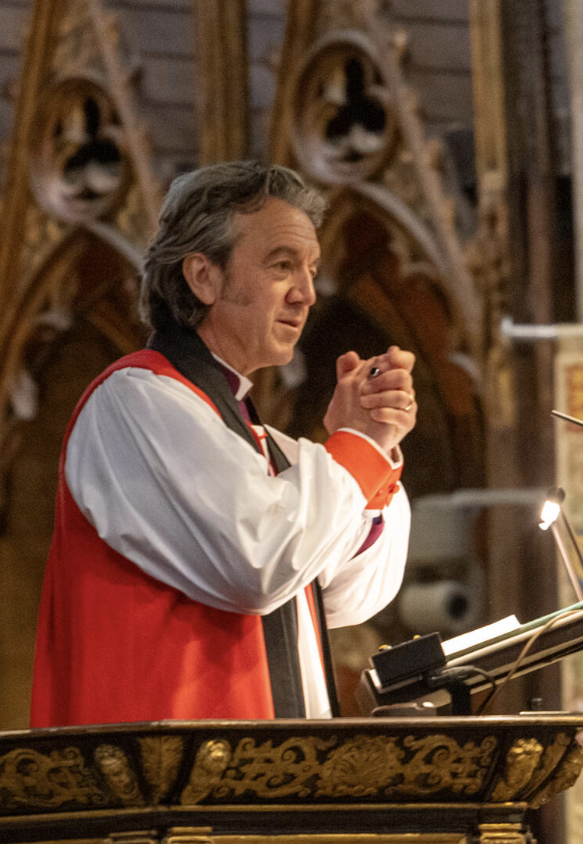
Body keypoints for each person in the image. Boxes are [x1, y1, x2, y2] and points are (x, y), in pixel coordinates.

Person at [31, 162, 415, 726]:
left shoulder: (265, 445)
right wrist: (355, 447)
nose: (307, 294)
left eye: (310, 269)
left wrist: (372, 449)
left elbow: (351, 596)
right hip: (166, 789)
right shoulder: (136, 401)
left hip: (268, 786)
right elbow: (258, 563)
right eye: (282, 266)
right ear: (203, 277)